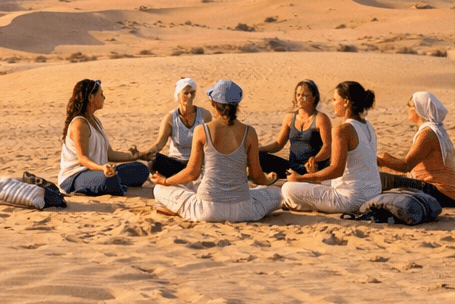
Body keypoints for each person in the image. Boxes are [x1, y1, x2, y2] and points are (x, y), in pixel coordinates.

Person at [149, 78, 284, 222]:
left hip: (207, 210)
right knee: (276, 193)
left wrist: (165, 181)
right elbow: (256, 176)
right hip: (243, 210)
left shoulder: (202, 130)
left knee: (159, 190)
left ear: (213, 103)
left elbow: (192, 173)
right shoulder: (249, 132)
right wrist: (267, 180)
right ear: (237, 105)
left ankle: (177, 209)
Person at [281, 80, 382, 214]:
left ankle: (306, 205)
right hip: (373, 193)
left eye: (335, 99)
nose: (332, 103)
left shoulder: (342, 130)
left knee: (288, 188)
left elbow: (336, 170)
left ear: (346, 102)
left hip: (351, 199)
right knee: (319, 182)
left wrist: (300, 178)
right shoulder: (368, 126)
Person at [57, 78, 151, 196]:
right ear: (91, 98)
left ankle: (110, 182)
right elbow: (82, 159)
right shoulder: (80, 124)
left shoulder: (95, 121)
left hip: (100, 171)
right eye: (101, 94)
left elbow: (109, 154)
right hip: (75, 176)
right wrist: (102, 168)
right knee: (109, 180)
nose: (104, 97)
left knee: (141, 169)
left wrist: (139, 155)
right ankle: (106, 184)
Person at [377, 90, 455, 206]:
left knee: (380, 179)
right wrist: (386, 160)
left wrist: (380, 161)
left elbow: (406, 165)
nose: (408, 111)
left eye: (410, 107)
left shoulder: (428, 134)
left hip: (441, 194)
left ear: (418, 110)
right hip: (449, 195)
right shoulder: (435, 130)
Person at [258, 79, 332, 179]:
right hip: (291, 168)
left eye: (305, 95)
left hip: (312, 169)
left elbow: (328, 146)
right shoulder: (289, 118)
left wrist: (315, 159)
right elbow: (278, 144)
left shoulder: (321, 118)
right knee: (257, 156)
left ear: (314, 97)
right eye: (298, 95)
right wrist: (258, 149)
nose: (300, 98)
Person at [142, 77, 211, 177]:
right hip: (176, 163)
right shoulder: (170, 118)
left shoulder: (205, 115)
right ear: (178, 95)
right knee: (153, 161)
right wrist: (143, 154)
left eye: (192, 92)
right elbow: (159, 144)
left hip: (197, 163)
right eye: (186, 93)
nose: (190, 96)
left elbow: (210, 142)